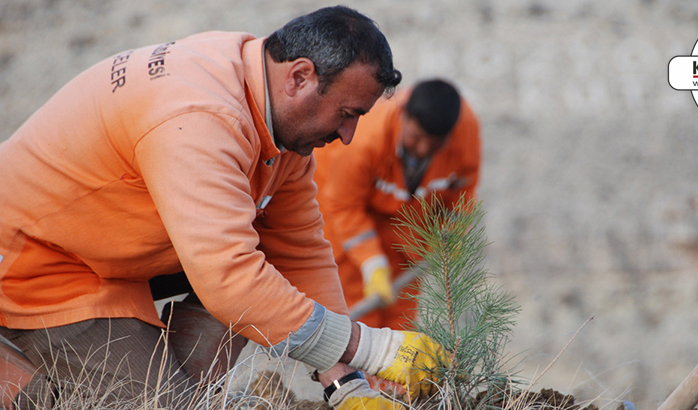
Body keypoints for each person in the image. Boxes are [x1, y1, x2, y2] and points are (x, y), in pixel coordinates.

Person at [0, 6, 447, 409]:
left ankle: (173, 388)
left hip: (104, 252)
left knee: (253, 275)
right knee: (161, 403)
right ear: (300, 77)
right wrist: (374, 349)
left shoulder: (271, 113)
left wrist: (348, 383)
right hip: (36, 263)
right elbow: (227, 278)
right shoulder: (200, 115)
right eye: (347, 113)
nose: (348, 135)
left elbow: (298, 253)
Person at [312, 79, 481, 330]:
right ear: (403, 117)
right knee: (360, 323)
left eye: (433, 145)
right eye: (416, 138)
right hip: (343, 211)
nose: (423, 149)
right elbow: (344, 207)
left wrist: (451, 237)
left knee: (400, 322)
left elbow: (461, 196)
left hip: (409, 224)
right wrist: (372, 263)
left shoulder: (464, 133)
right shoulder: (363, 140)